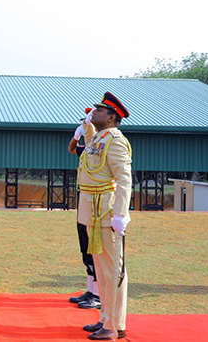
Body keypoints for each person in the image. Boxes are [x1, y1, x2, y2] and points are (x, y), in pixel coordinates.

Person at [77, 92, 132, 341]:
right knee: (101, 269)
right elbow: (90, 153)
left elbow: (124, 179)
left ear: (111, 117)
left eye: (99, 111)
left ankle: (114, 325)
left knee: (112, 270)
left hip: (107, 212)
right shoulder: (101, 137)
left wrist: (121, 214)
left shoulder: (116, 141)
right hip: (93, 210)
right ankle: (105, 317)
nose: (94, 112)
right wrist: (87, 127)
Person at [68, 109, 101, 310]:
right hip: (84, 197)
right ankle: (91, 290)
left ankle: (97, 295)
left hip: (95, 200)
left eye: (88, 121)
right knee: (84, 245)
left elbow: (91, 145)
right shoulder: (87, 149)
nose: (85, 124)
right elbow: (73, 149)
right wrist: (76, 135)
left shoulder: (97, 147)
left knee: (93, 247)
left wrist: (87, 131)